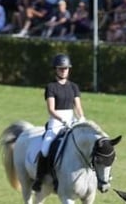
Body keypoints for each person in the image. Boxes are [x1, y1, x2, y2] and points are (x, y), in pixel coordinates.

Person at [32, 54, 86, 191]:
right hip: (57, 121)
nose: (63, 71)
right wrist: (62, 120)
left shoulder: (74, 87)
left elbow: (78, 107)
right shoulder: (51, 87)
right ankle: (39, 178)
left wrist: (82, 118)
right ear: (55, 69)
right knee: (45, 149)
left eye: (66, 68)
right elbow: (51, 109)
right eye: (61, 68)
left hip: (72, 119)